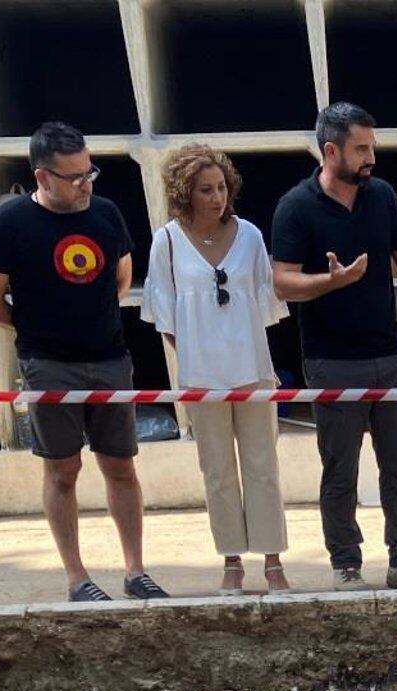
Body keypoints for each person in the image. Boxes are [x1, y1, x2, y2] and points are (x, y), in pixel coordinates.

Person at [0, 121, 167, 602]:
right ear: (43, 177)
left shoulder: (105, 214)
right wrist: (37, 333)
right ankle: (77, 578)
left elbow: (121, 277)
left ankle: (135, 571)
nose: (86, 184)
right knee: (62, 472)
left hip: (109, 358)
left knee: (121, 466)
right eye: (74, 176)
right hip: (48, 365)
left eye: (89, 172)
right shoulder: (11, 222)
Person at [271, 102, 397, 591]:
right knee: (340, 469)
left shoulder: (381, 196)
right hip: (331, 360)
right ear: (330, 150)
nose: (372, 158)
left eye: (373, 147)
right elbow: (282, 282)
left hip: (390, 354)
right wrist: (331, 281)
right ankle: (346, 563)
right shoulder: (295, 207)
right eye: (361, 149)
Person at [142, 143, 288, 593]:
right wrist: (195, 355)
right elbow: (164, 314)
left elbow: (266, 304)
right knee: (217, 470)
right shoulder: (166, 241)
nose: (216, 197)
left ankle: (273, 558)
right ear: (185, 192)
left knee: (263, 465)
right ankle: (231, 559)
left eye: (221, 187)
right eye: (205, 189)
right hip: (202, 377)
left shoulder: (250, 237)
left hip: (252, 368)